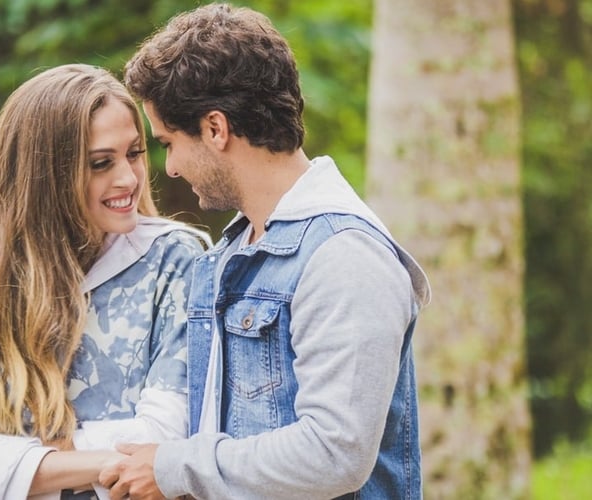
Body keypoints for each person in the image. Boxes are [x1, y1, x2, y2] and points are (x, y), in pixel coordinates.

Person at [99, 4, 432, 499]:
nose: (169, 168)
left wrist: (174, 468)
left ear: (216, 129)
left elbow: (334, 453)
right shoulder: (235, 252)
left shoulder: (343, 256)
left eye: (169, 142)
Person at [0, 64, 209, 500]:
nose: (128, 179)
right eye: (101, 163)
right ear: (45, 175)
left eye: (134, 153)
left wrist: (11, 462)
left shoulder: (175, 259)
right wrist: (96, 461)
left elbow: (168, 433)